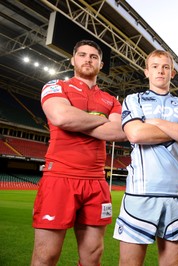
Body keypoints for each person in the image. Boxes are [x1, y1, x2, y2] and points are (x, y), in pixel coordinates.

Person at [31, 39, 126, 266]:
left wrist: (78, 121)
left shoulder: (111, 100)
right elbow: (61, 117)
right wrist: (100, 120)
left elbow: (119, 132)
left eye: (93, 57)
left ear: (100, 64)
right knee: (46, 255)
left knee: (93, 256)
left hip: (96, 181)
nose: (87, 59)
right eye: (82, 55)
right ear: (73, 60)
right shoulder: (56, 86)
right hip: (60, 178)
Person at [113, 50, 178, 266]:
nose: (160, 71)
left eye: (165, 67)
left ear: (172, 73)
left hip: (177, 196)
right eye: (154, 66)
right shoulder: (134, 100)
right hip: (139, 195)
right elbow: (136, 134)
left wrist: (157, 123)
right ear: (147, 71)